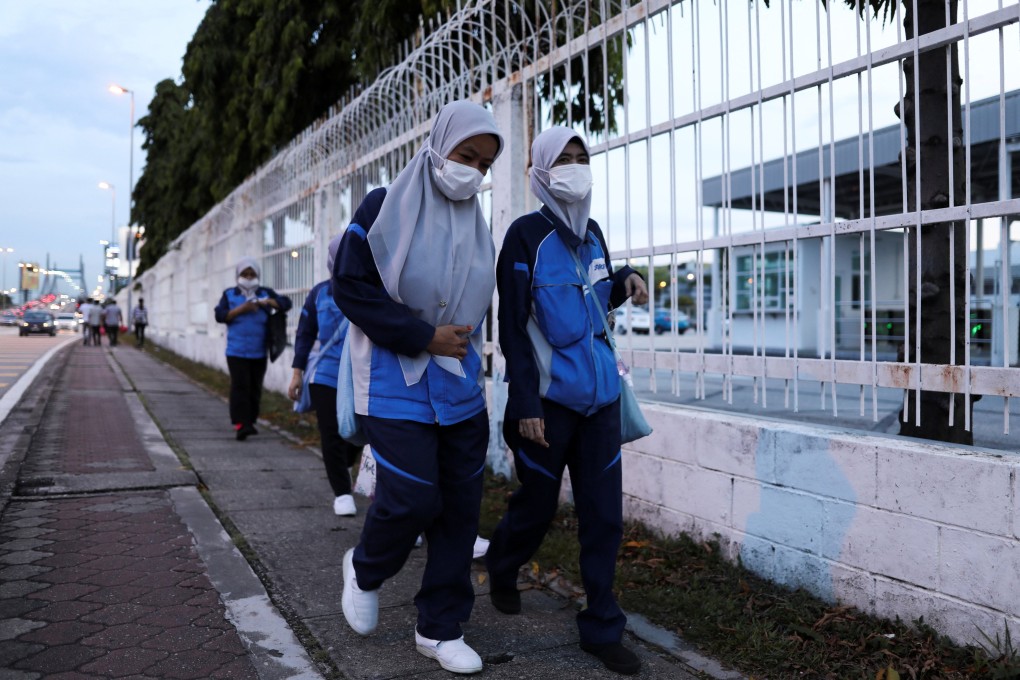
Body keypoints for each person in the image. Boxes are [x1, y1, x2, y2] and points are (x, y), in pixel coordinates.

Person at [332, 100, 503, 675]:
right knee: (411, 498)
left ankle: (440, 627)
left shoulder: (478, 226)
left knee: (459, 511)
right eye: (465, 155)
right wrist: (420, 335)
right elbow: (351, 287)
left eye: (484, 163)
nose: (473, 170)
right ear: (438, 147)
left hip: (458, 387)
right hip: (392, 381)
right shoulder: (385, 206)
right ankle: (364, 567)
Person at [484, 126, 649, 676]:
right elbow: (512, 328)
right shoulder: (525, 237)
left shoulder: (593, 233)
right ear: (541, 170)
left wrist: (627, 279)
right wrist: (524, 402)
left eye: (583, 157)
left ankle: (602, 626)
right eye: (565, 159)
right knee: (536, 509)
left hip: (600, 401)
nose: (576, 167)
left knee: (604, 517)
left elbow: (594, 298)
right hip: (547, 406)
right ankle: (504, 564)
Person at [288, 238, 362, 516]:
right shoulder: (319, 293)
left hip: (361, 374)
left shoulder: (370, 289)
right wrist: (297, 374)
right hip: (327, 374)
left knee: (357, 432)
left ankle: (344, 466)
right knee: (331, 432)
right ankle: (342, 493)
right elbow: (304, 334)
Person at [214, 258, 293, 440]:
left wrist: (268, 302)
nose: (248, 278)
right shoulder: (229, 295)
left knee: (254, 387)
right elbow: (220, 315)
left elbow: (286, 303)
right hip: (236, 351)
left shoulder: (265, 293)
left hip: (259, 351)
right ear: (238, 276)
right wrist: (241, 309)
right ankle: (241, 424)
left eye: (252, 274)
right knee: (239, 386)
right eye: (244, 274)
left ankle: (251, 420)